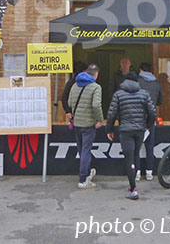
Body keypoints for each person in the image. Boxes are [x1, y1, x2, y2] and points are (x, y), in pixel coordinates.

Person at [106, 71, 156, 200]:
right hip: (140, 129)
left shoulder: (118, 94)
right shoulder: (144, 94)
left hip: (125, 130)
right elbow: (152, 113)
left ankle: (133, 188)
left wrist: (109, 130)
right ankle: (134, 181)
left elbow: (111, 114)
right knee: (136, 154)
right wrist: (147, 125)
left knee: (129, 158)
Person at [67, 64, 103, 189]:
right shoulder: (96, 87)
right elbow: (96, 105)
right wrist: (100, 119)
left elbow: (70, 103)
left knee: (82, 150)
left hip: (77, 123)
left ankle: (87, 173)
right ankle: (83, 180)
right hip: (88, 124)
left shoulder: (75, 85)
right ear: (96, 75)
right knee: (86, 151)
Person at [135, 62, 162, 182]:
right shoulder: (157, 83)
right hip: (151, 118)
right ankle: (149, 172)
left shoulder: (137, 82)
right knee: (150, 146)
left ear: (140, 70)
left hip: (138, 118)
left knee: (136, 146)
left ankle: (137, 173)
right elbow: (160, 101)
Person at [62, 61, 88, 126]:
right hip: (80, 115)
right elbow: (64, 97)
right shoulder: (73, 83)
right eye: (85, 71)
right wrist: (68, 111)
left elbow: (64, 98)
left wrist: (68, 111)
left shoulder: (70, 83)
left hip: (77, 115)